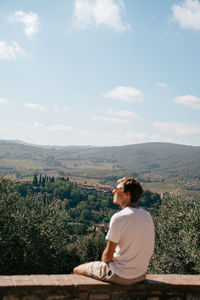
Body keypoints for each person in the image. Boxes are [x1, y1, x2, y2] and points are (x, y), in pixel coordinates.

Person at [73, 177, 155, 285]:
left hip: (119, 275)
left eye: (118, 189)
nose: (113, 191)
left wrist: (105, 260)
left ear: (127, 194)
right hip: (140, 275)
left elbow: (107, 257)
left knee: (77, 270)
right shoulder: (147, 216)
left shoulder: (119, 218)